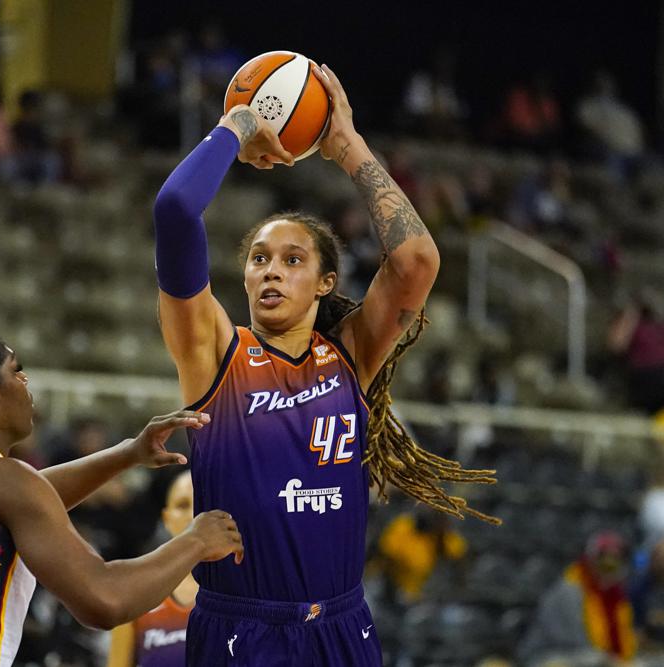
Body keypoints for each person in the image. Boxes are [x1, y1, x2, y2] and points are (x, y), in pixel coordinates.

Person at [152, 64, 495, 666]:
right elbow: (177, 209)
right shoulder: (213, 354)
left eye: (291, 259)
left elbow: (416, 260)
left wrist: (347, 146)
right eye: (259, 259)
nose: (272, 270)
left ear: (324, 283)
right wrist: (240, 121)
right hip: (242, 627)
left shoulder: (350, 356)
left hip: (341, 625)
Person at [0, 325, 243, 666]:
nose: (25, 382)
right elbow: (105, 600)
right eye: (16, 371)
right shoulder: (3, 481)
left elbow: (31, 498)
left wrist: (126, 454)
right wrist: (195, 541)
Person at [108, 471, 196, 667]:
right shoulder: (136, 593)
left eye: (203, 503)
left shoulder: (246, 590)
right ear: (167, 518)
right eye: (183, 505)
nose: (192, 515)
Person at [518, 531, 636, 664]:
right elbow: (574, 643)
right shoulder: (570, 592)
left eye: (616, 561)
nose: (610, 566)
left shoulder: (618, 599)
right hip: (549, 657)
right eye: (604, 561)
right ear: (590, 561)